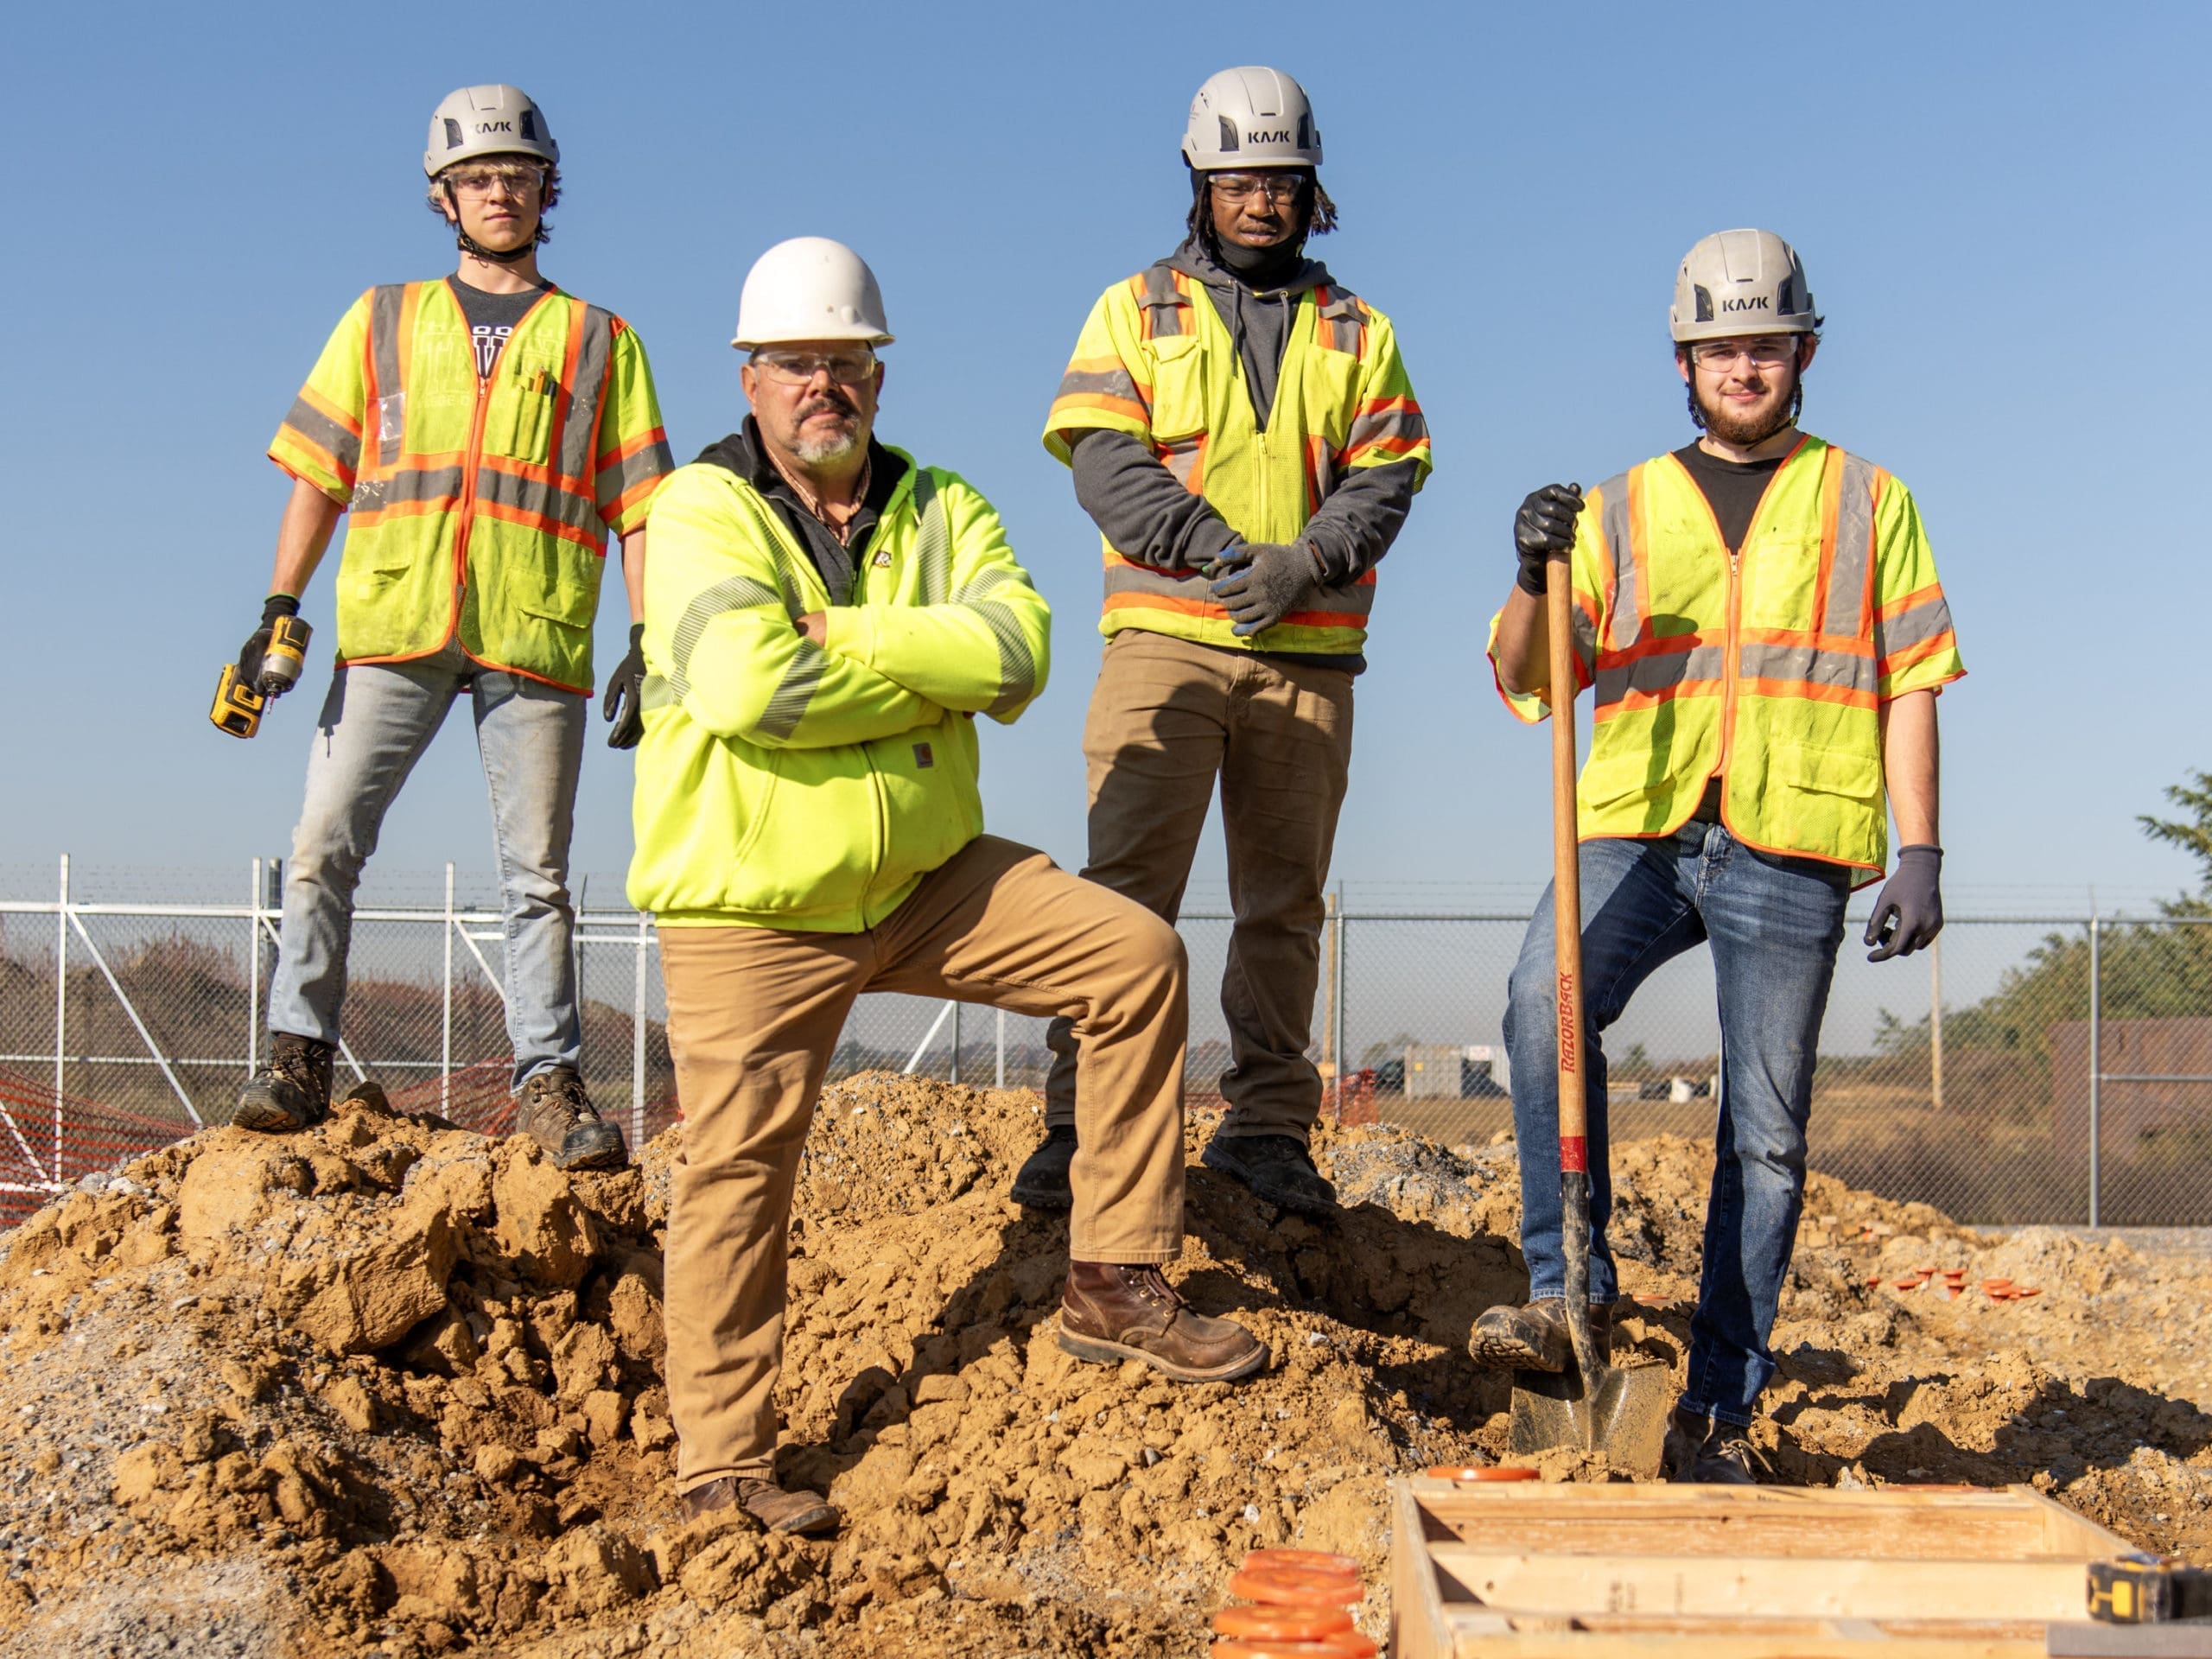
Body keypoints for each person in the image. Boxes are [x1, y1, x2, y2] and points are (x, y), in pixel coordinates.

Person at [631, 238, 1267, 1535]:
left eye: (848, 363)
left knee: (1133, 958)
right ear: (752, 379)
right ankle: (723, 1466)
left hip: (926, 876)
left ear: (878, 373)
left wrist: (842, 635)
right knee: (738, 1175)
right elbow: (756, 689)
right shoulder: (698, 511)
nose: (827, 385)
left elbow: (1020, 652)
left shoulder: (942, 503)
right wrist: (929, 661)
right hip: (751, 904)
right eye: (799, 364)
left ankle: (1110, 1279)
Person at [1466, 229, 1963, 1483]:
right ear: (1683, 361)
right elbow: (1528, 678)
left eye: (1765, 343)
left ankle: (1720, 1411)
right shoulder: (1623, 506)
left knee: (1769, 1140)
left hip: (1792, 838)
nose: (1744, 365)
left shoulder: (1871, 500)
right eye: (1719, 346)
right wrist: (1531, 571)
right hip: (1640, 821)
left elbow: (1912, 681)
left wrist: (1921, 852)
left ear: (1803, 351)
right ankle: (1564, 1297)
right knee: (1544, 1000)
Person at [232, 86, 671, 1168]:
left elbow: (642, 508)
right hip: (393, 622)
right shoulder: (381, 319)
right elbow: (319, 476)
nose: (500, 193)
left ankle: (548, 1079)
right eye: (479, 178)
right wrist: (277, 609)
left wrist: (649, 638)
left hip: (533, 635)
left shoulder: (600, 339)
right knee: (323, 842)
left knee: (538, 878)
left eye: (518, 176)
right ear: (444, 196)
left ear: (545, 188)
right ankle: (298, 1052)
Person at [1018, 66, 1432, 1217]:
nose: (1264, 200)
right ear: (1200, 181)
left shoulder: (1361, 329)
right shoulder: (1133, 309)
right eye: (1242, 178)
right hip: (1166, 643)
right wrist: (1221, 554)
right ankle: (1080, 1122)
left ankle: (1264, 1129)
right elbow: (1108, 464)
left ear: (1312, 190)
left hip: (1308, 657)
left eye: (1285, 181)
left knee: (1283, 908)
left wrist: (1300, 566)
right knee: (1120, 898)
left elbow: (1387, 473)